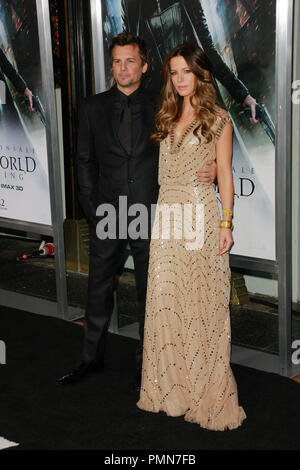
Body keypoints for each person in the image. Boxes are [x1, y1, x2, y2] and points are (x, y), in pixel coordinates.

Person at [56, 32, 217, 387]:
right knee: (99, 287)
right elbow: (83, 161)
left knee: (152, 290)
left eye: (130, 60)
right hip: (107, 212)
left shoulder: (165, 105)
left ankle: (150, 364)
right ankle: (90, 358)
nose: (122, 68)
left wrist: (215, 167)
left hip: (152, 210)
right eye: (116, 61)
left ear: (144, 66)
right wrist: (93, 208)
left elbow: (194, 142)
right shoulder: (91, 106)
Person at [136, 43, 246, 430]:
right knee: (165, 297)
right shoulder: (166, 114)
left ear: (202, 75)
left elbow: (227, 173)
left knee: (200, 303)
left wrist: (226, 224)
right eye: (175, 73)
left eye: (187, 72)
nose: (181, 80)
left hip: (200, 215)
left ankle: (203, 390)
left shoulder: (218, 119)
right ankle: (170, 389)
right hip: (167, 216)